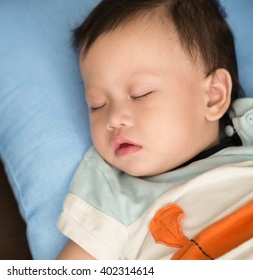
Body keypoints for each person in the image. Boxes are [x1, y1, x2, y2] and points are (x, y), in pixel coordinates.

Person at [57, 0, 253, 260]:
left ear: (213, 97)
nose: (114, 118)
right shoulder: (115, 194)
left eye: (141, 94)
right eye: (97, 105)